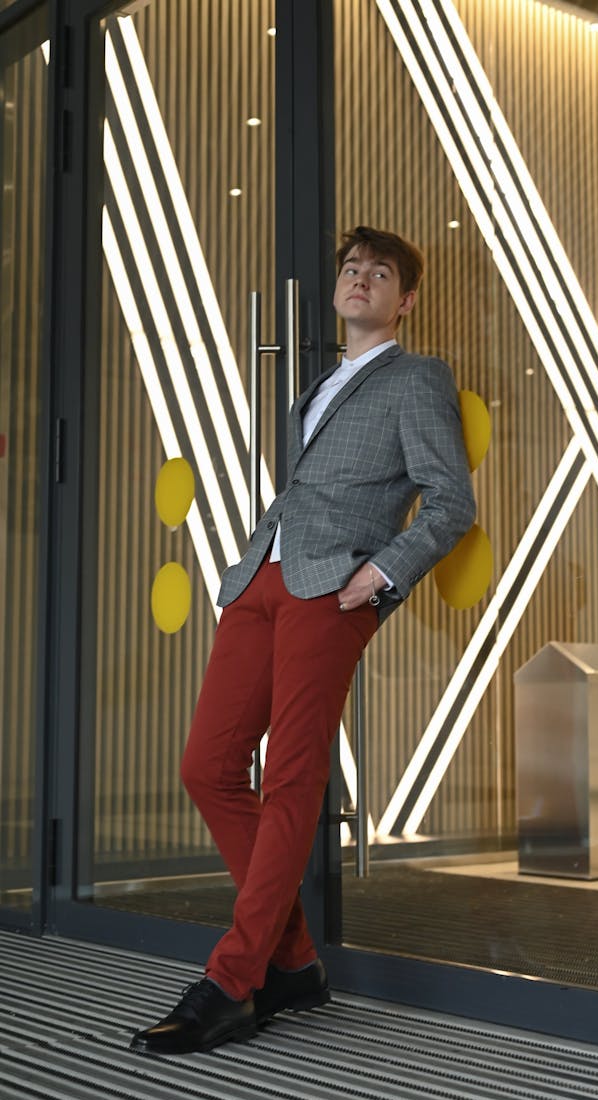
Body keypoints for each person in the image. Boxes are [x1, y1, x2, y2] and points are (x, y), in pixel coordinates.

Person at [130, 225, 476, 1055]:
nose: (361, 280)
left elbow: (451, 501)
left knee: (289, 777)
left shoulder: (418, 377)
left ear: (406, 298)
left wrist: (381, 575)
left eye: (380, 272)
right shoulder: (313, 390)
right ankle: (293, 962)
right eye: (352, 269)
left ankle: (232, 981)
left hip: (331, 589)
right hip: (260, 581)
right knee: (207, 766)